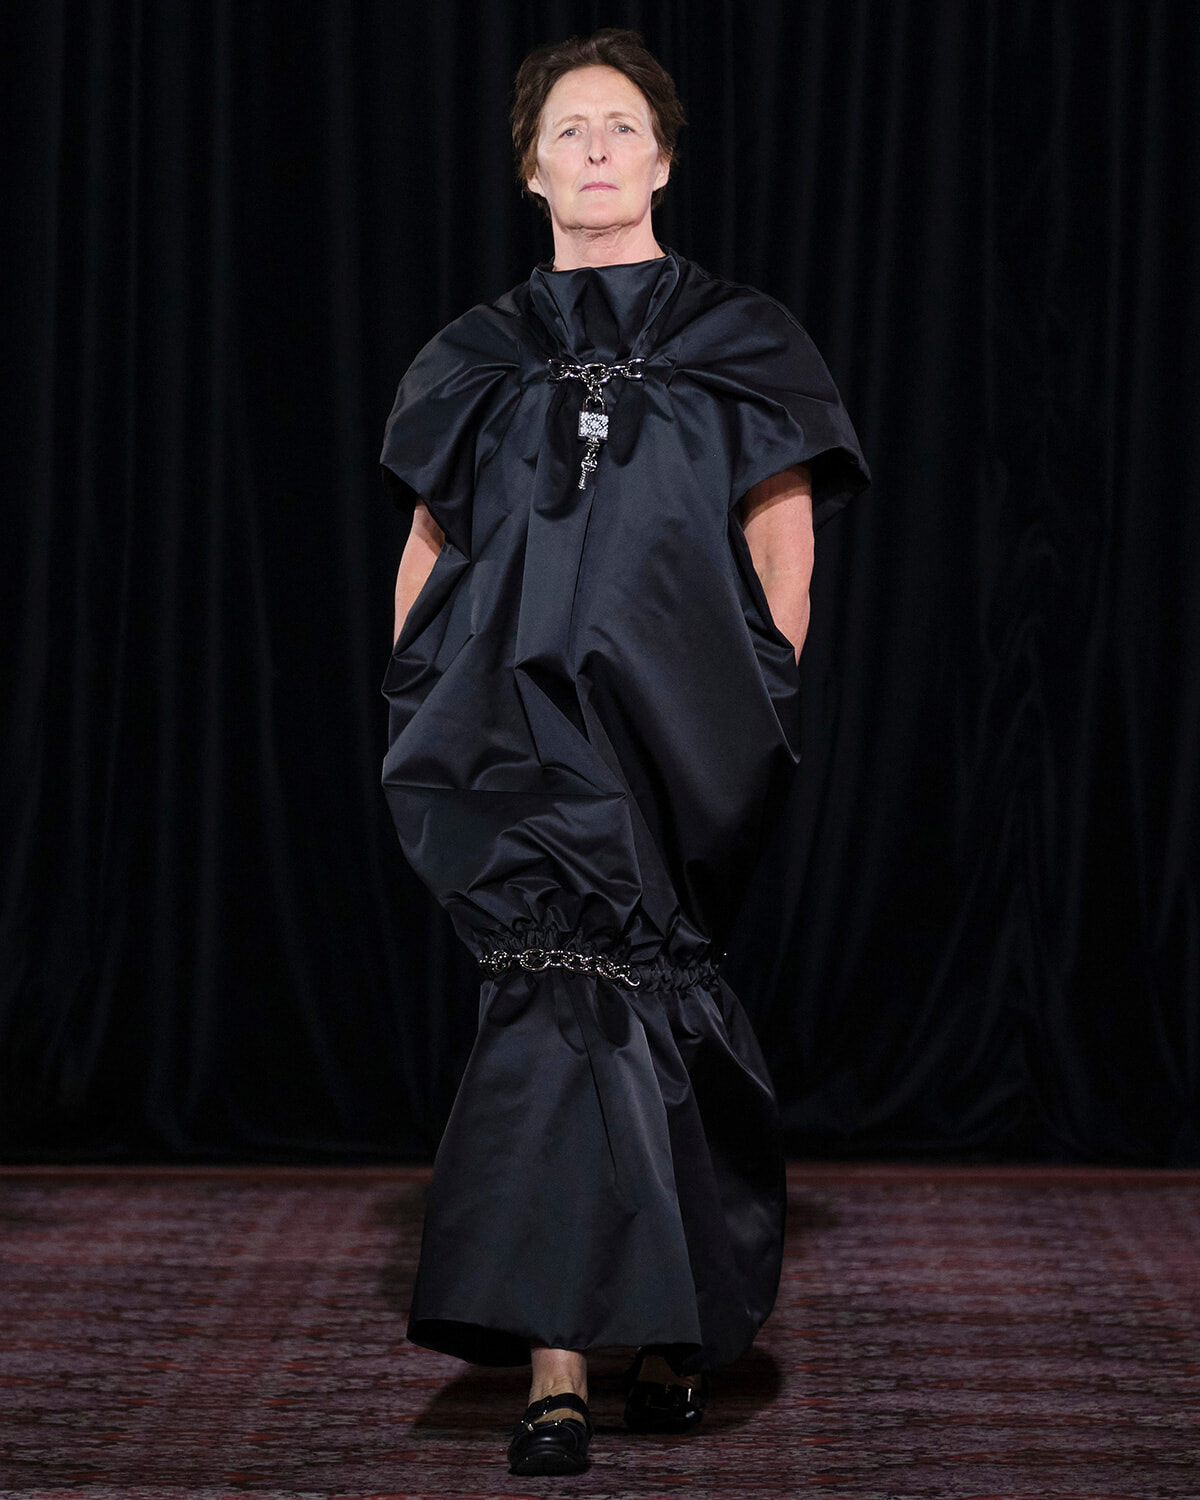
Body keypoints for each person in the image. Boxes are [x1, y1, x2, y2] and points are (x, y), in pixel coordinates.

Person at [380, 28, 868, 1477]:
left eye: (622, 126)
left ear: (661, 158)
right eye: (570, 129)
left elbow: (786, 538)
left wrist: (763, 688)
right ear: (532, 168)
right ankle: (560, 1358)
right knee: (553, 1002)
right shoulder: (475, 352)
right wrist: (416, 694)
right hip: (513, 721)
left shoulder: (743, 336)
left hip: (688, 722)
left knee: (660, 995)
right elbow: (430, 542)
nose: (596, 146)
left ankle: (669, 1327)